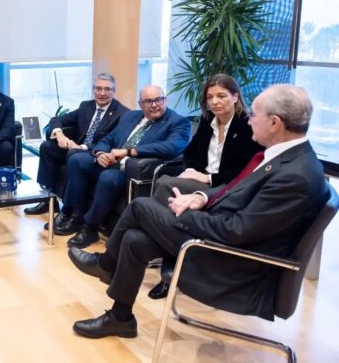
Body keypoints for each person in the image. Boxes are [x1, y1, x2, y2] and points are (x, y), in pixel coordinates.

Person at [67, 85, 327, 340]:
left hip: (233, 263)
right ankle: (121, 318)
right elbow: (237, 188)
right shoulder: (285, 158)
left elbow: (236, 231)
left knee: (139, 207)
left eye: (253, 115)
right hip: (221, 235)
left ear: (274, 123)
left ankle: (106, 265)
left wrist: (184, 215)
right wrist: (200, 197)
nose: (249, 121)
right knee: (136, 239)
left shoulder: (296, 176)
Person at [146, 74, 263, 299]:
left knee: (165, 184)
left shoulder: (247, 126)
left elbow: (244, 171)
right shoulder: (208, 120)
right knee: (169, 186)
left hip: (226, 186)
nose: (215, 102)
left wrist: (207, 178)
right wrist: (193, 170)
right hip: (198, 180)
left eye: (221, 96)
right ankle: (167, 260)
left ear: (235, 96)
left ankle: (163, 258)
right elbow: (190, 153)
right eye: (210, 97)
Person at [56, 85, 190, 248]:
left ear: (165, 100)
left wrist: (130, 151)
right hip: (111, 161)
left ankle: (90, 227)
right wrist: (100, 154)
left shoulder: (178, 122)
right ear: (140, 104)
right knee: (76, 159)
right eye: (148, 101)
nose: (154, 105)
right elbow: (109, 139)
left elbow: (173, 146)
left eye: (158, 100)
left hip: (131, 170)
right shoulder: (131, 116)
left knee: (108, 177)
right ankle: (75, 214)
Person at [25, 72, 129, 216]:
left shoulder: (122, 113)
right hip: (75, 149)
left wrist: (82, 147)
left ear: (114, 91)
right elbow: (57, 119)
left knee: (73, 154)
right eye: (98, 88)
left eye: (107, 89)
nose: (102, 93)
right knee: (47, 147)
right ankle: (47, 200)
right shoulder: (87, 106)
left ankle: (67, 209)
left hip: (96, 154)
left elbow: (112, 142)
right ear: (93, 90)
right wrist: (60, 134)